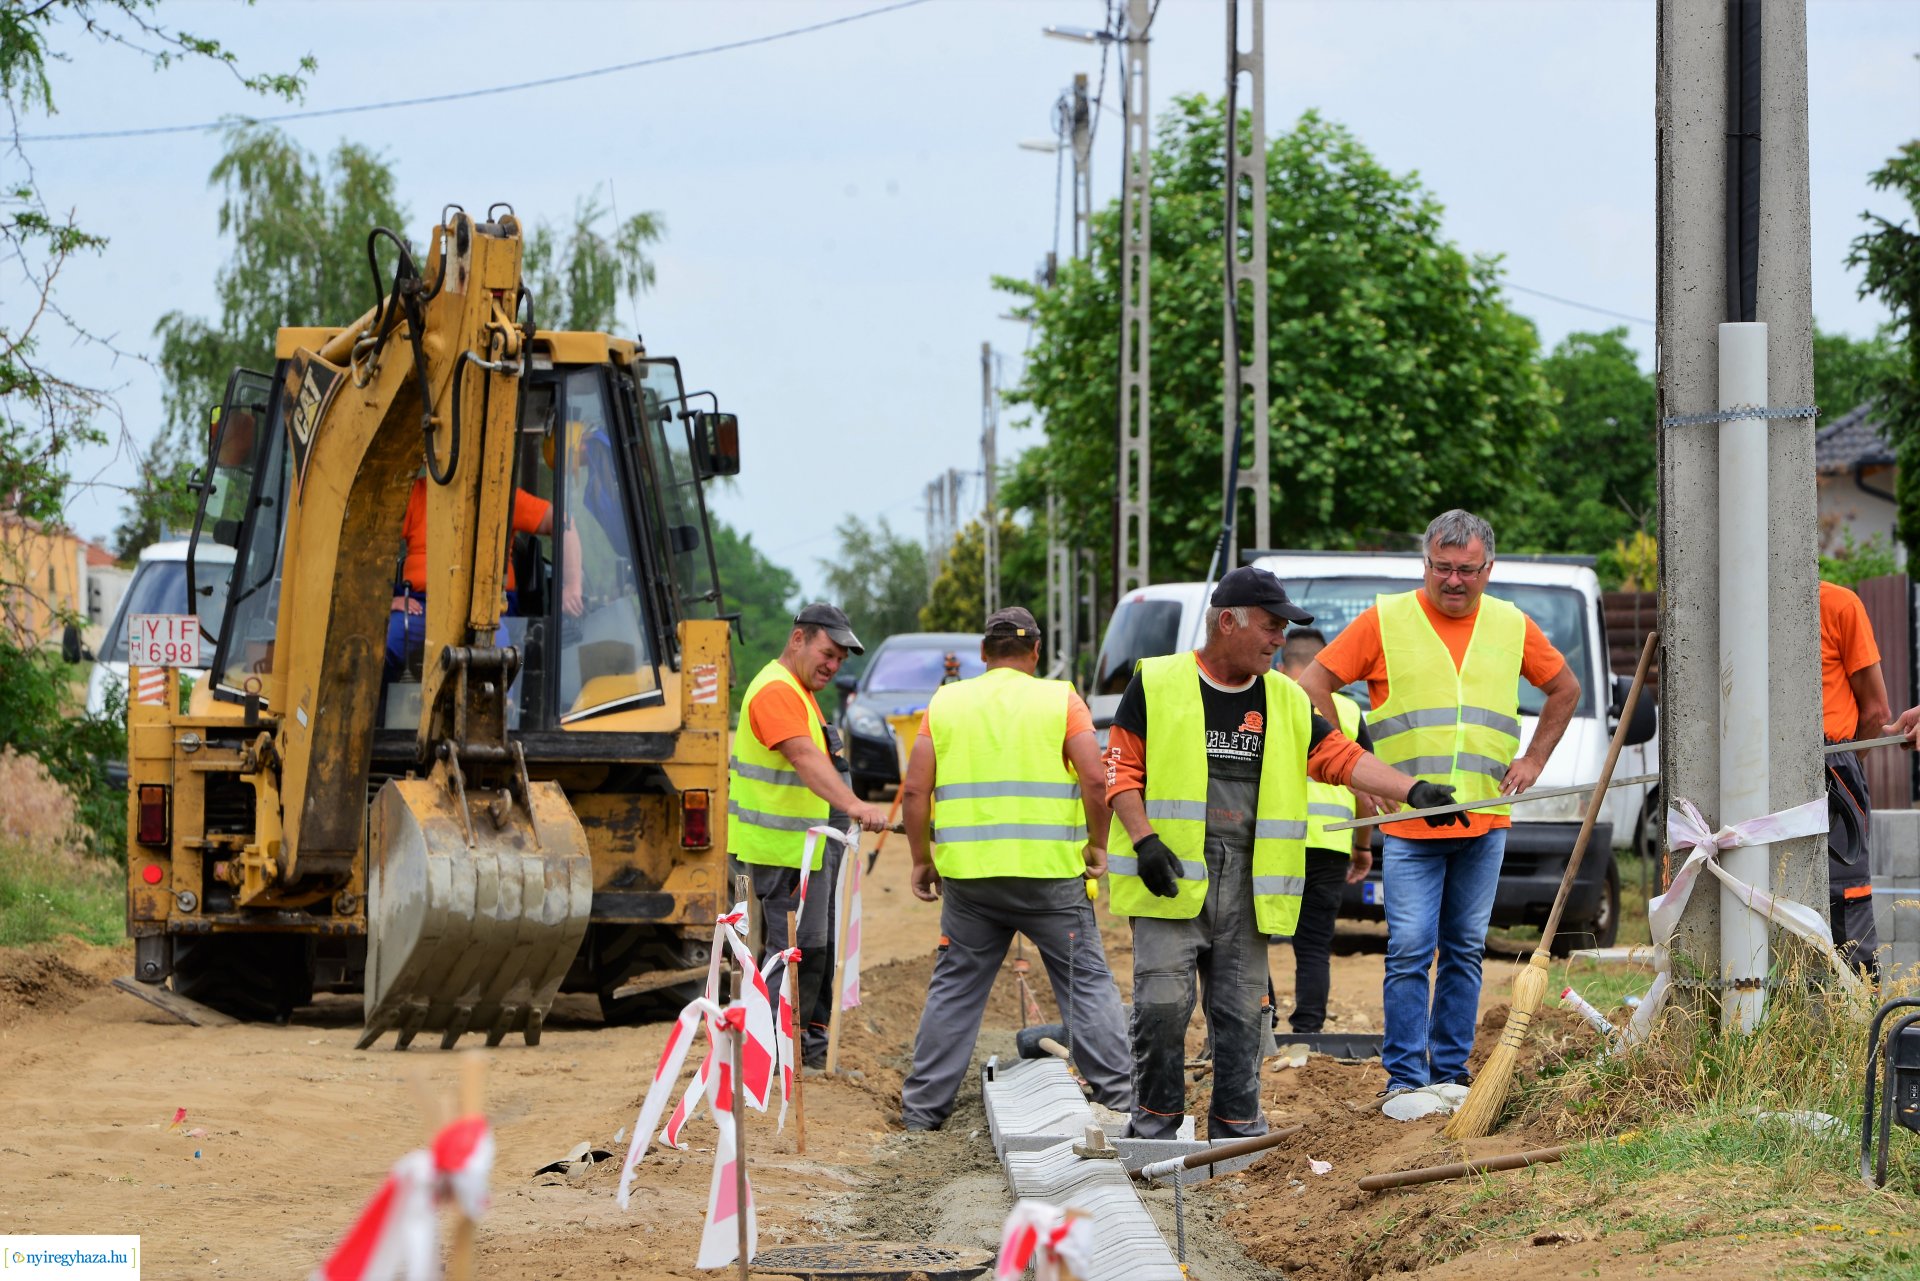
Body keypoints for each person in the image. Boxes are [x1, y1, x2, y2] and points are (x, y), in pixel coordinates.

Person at [1106, 566, 1466, 1140]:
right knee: (1162, 1005)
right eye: (1272, 626)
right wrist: (1145, 839)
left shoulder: (1286, 700)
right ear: (1228, 622)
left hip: (1248, 887)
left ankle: (1236, 1124)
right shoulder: (1157, 683)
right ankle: (1155, 1122)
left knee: (1243, 1012)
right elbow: (1120, 771)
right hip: (1170, 879)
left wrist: (1413, 792)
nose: (1281, 640)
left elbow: (1342, 759)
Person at [1297, 510, 1579, 1098]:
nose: (1455, 581)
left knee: (1465, 951)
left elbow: (1565, 689)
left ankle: (1449, 1072)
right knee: (1408, 951)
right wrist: (1354, 768)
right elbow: (1312, 686)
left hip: (1484, 821)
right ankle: (1405, 1079)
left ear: (1488, 568)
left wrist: (1533, 763)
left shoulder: (1510, 624)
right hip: (1410, 824)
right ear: (1425, 564)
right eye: (1443, 569)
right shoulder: (1387, 620)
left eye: (1468, 570)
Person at [898, 607, 1132, 1131]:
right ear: (1036, 652)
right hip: (1051, 879)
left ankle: (922, 1112)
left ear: (984, 653)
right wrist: (1097, 845)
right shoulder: (1061, 699)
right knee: (1086, 983)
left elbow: (915, 790)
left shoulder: (947, 702)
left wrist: (921, 859)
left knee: (955, 989)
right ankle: (1118, 1098)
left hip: (972, 885)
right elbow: (1096, 781)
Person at [728, 603, 890, 1067]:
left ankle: (803, 1052)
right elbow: (804, 756)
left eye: (841, 659)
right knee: (792, 953)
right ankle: (765, 1060)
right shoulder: (776, 691)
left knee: (813, 949)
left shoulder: (799, 691)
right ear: (798, 639)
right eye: (828, 652)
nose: (833, 665)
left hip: (807, 848)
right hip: (784, 852)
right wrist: (855, 805)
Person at [383, 474, 584, 682]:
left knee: (501, 652)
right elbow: (371, 543)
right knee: (381, 641)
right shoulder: (415, 495)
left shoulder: (501, 495)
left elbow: (561, 522)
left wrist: (572, 585)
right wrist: (386, 601)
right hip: (423, 606)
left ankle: (507, 708)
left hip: (488, 609)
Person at [1275, 628, 1376, 1035]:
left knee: (1252, 937)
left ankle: (1260, 1019)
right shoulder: (1348, 712)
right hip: (1331, 844)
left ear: (1282, 665)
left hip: (1273, 842)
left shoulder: (1268, 700)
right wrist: (1362, 847)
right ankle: (1308, 1029)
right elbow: (1366, 790)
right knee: (1314, 943)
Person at [1820, 578, 1890, 978]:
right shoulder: (1742, 607)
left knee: (1844, 901)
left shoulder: (1839, 605)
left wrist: (1841, 763)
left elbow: (1876, 713)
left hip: (1834, 767)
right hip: (1766, 768)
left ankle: (1859, 1015)